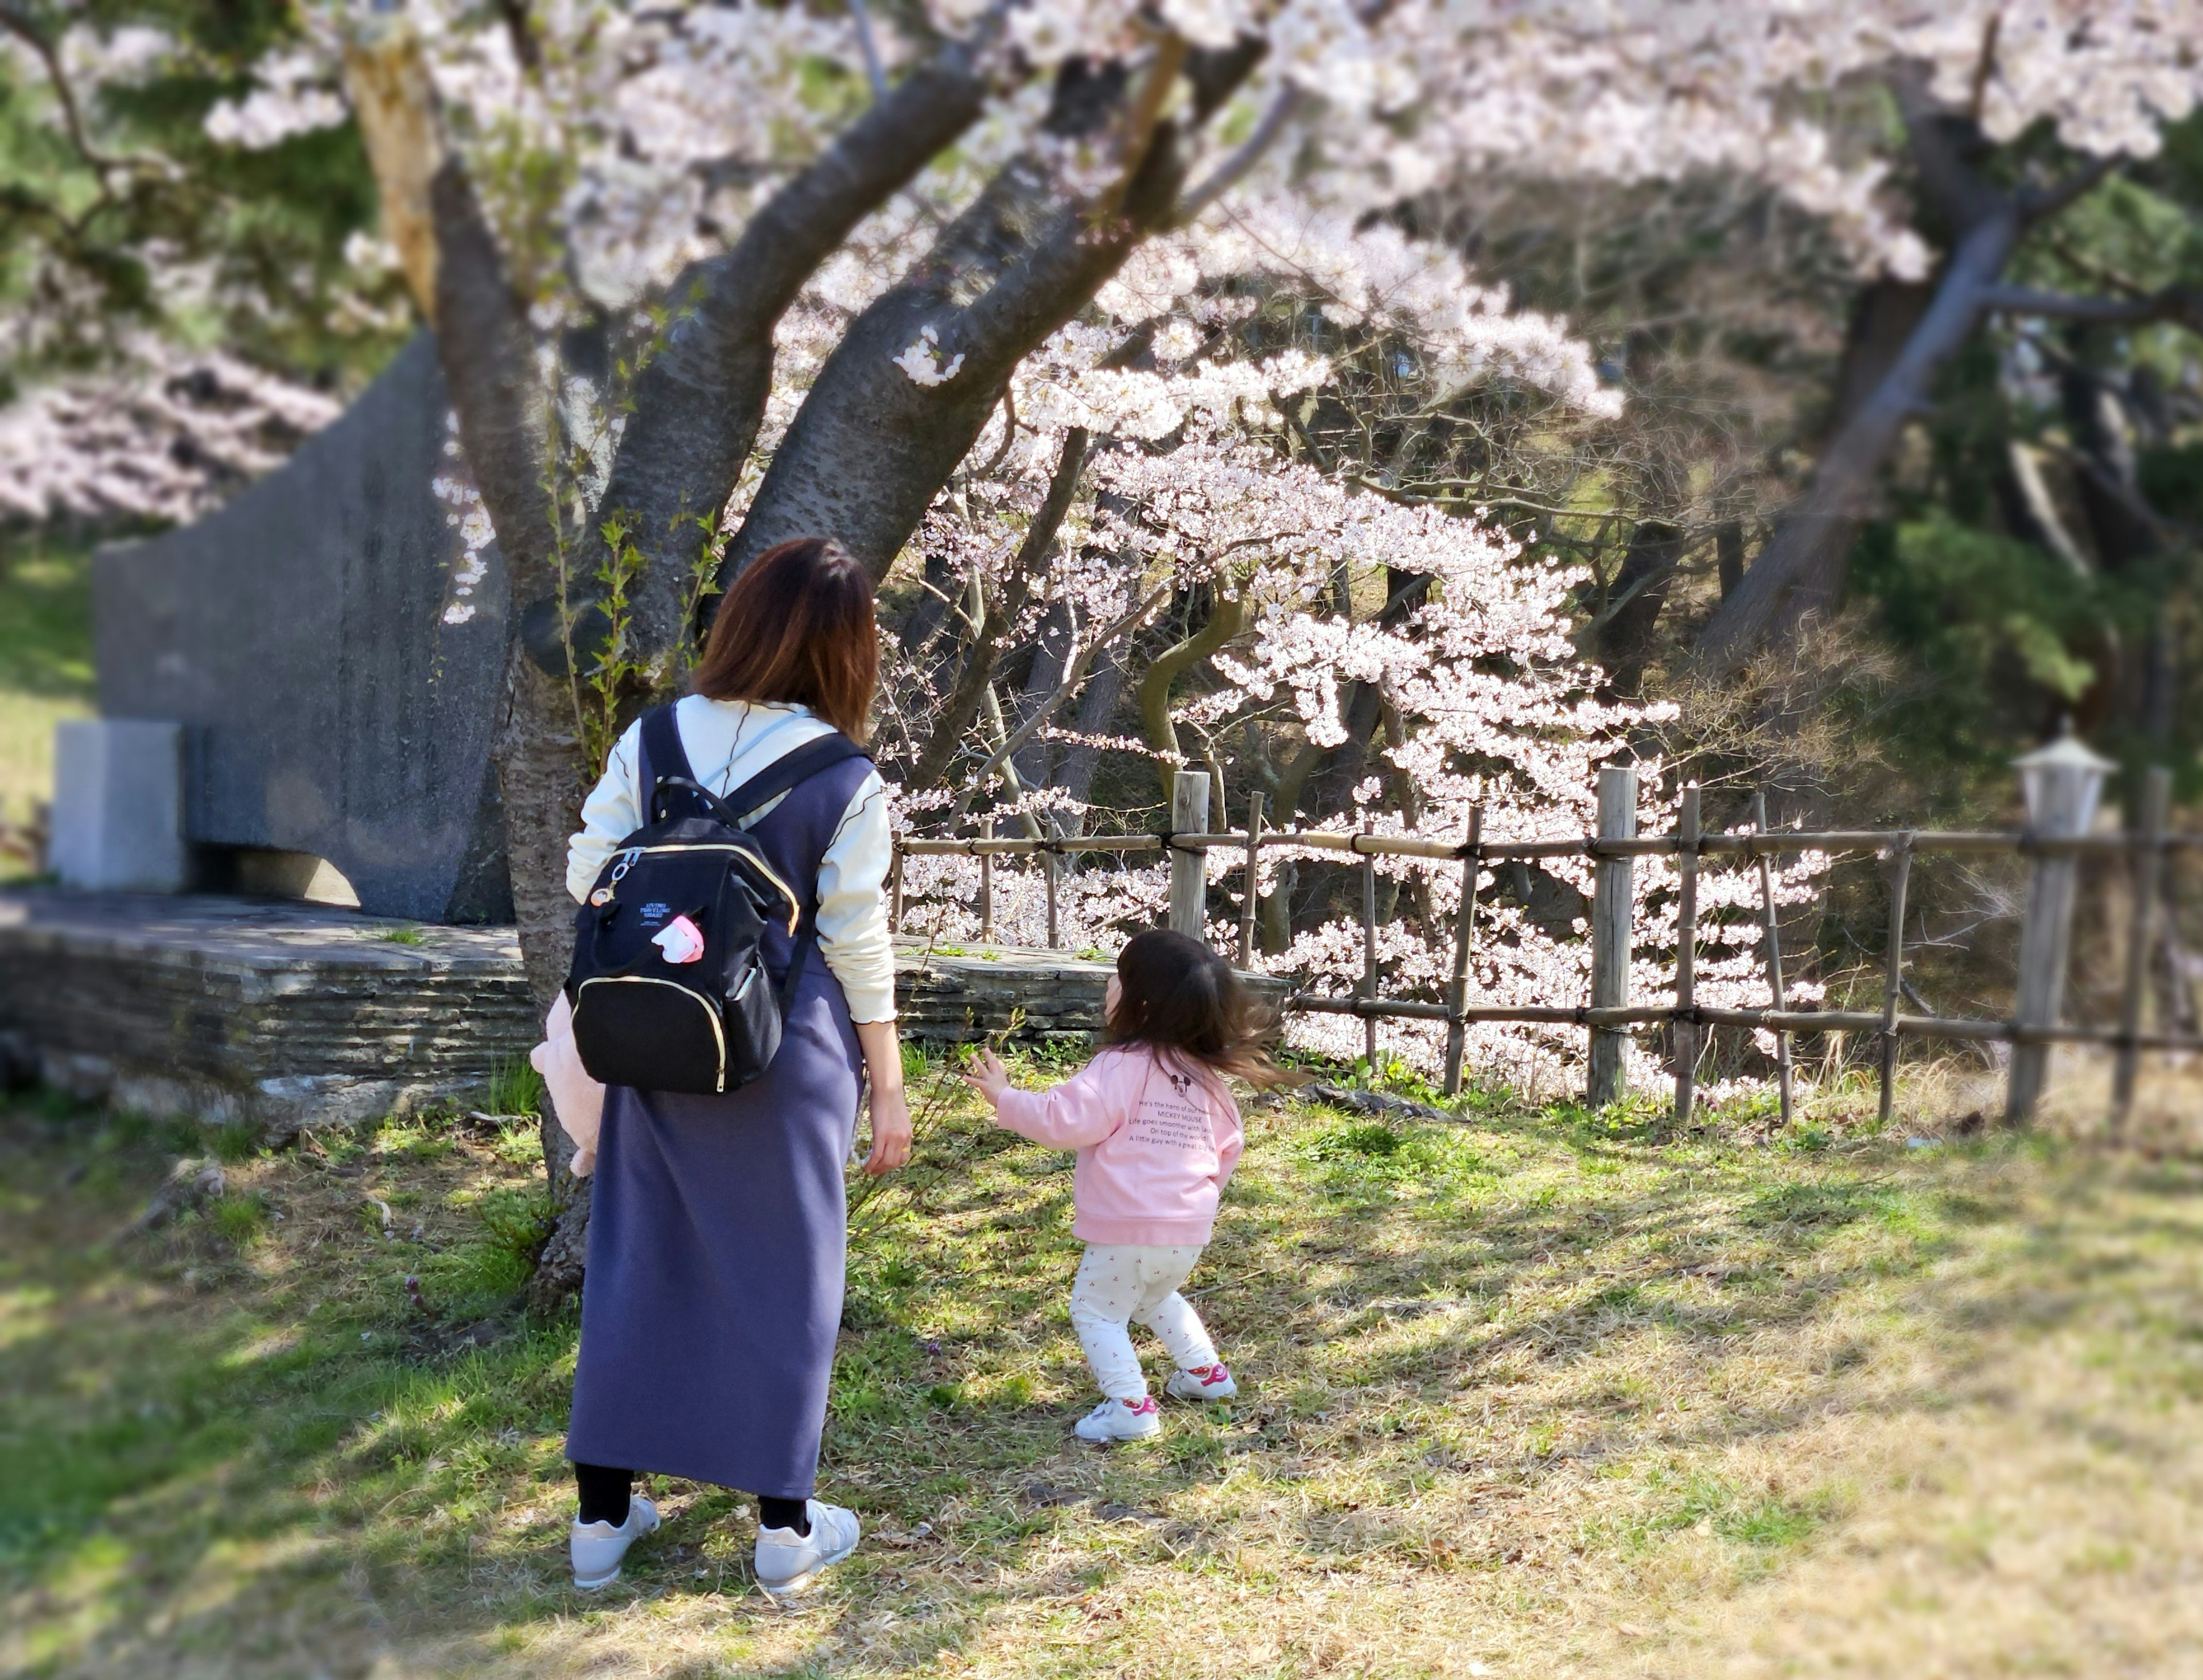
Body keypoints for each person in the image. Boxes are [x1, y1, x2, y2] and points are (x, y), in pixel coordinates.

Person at [555, 535, 911, 1595]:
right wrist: (887, 1083)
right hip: (780, 1046)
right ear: (848, 650)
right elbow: (855, 939)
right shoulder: (843, 775)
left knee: (636, 1260)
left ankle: (601, 1520)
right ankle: (783, 1531)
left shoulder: (652, 734)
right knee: (785, 1274)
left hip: (654, 1039)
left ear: (742, 618)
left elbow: (587, 873)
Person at [962, 929, 1275, 1442]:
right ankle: (1206, 1375)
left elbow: (1062, 1120)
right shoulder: (1208, 1079)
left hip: (1127, 1228)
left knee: (1095, 1310)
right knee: (1156, 1296)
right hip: (1187, 1230)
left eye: (1118, 978)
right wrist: (1195, 1203)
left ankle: (1130, 1404)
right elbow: (1228, 1148)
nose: (1109, 985)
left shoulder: (1118, 1068)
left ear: (1141, 1003)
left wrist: (1004, 1098)